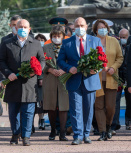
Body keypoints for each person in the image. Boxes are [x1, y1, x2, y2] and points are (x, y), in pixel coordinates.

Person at [0, 19, 45, 146]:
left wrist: (35, 71)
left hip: (30, 83)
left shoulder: (35, 44)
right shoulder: (7, 43)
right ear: (15, 28)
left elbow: (42, 60)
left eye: (25, 27)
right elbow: (1, 61)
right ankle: (15, 134)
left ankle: (26, 136)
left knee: (29, 112)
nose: (23, 29)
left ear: (29, 29)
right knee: (13, 112)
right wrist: (8, 73)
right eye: (20, 26)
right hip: (13, 83)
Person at [57, 17, 102, 145]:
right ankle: (77, 135)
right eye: (77, 25)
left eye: (82, 25)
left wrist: (96, 69)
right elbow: (60, 60)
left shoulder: (95, 40)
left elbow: (102, 59)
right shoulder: (67, 43)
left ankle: (86, 134)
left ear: (86, 26)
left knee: (88, 109)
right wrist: (68, 68)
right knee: (75, 109)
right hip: (74, 80)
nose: (80, 28)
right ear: (73, 28)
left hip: (90, 80)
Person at [93, 19, 123, 141]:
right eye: (100, 27)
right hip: (96, 79)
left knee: (110, 107)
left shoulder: (114, 41)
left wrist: (113, 67)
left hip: (111, 78)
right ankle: (102, 131)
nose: (103, 29)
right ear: (95, 30)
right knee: (99, 106)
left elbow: (120, 58)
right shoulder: (92, 41)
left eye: (104, 27)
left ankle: (109, 126)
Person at [43, 25, 69, 141]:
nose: (56, 38)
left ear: (63, 36)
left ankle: (62, 132)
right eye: (54, 36)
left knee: (63, 106)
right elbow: (41, 62)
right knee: (51, 106)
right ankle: (53, 130)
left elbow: (73, 61)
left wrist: (64, 69)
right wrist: (49, 69)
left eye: (59, 36)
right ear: (51, 36)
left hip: (64, 79)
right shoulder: (46, 47)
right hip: (50, 79)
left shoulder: (68, 46)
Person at [111, 28, 130, 134]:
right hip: (117, 78)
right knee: (115, 102)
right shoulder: (116, 46)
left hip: (127, 78)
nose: (122, 39)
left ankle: (128, 122)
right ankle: (115, 124)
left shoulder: (129, 46)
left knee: (129, 101)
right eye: (121, 37)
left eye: (124, 37)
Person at [32, 33, 47, 132]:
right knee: (33, 102)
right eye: (38, 40)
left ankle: (42, 120)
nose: (40, 41)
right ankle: (31, 124)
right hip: (33, 80)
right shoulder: (33, 50)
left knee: (42, 102)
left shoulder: (46, 50)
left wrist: (42, 78)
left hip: (44, 80)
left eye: (42, 40)